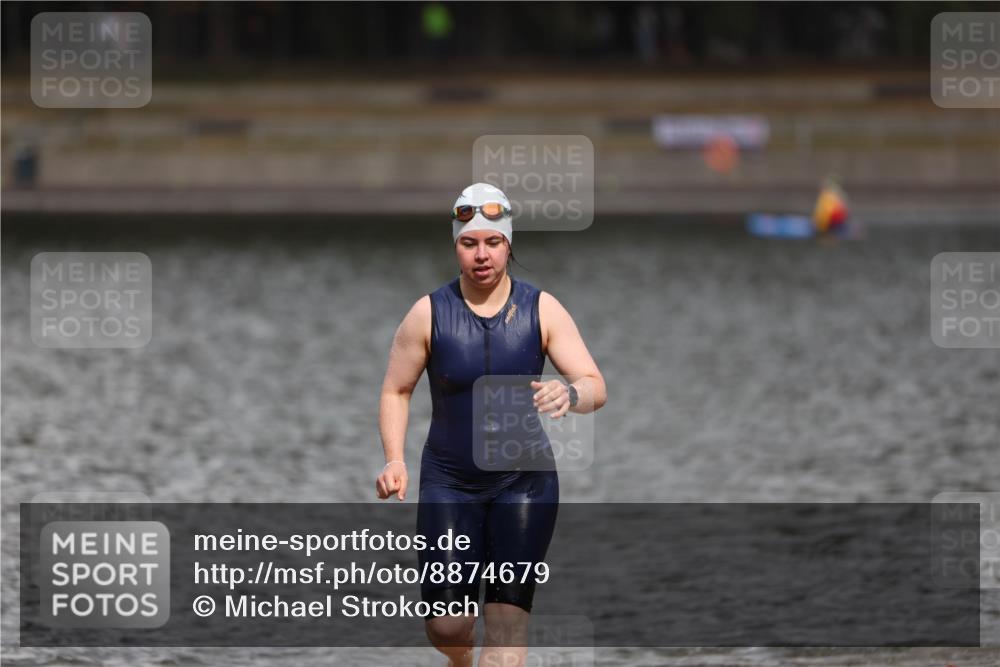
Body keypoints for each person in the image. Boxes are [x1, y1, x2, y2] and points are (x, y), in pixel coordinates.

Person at [376, 182, 607, 667]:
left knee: (506, 627)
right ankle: (459, 659)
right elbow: (396, 390)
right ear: (455, 245)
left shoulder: (542, 309)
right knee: (447, 624)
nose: (481, 255)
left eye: (493, 242)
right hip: (449, 482)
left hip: (525, 482)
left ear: (509, 244)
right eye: (469, 242)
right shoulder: (427, 314)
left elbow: (594, 384)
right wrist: (394, 459)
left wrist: (569, 393)